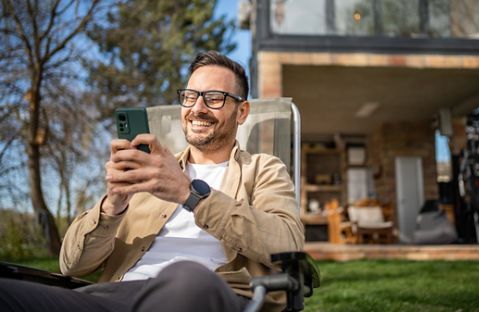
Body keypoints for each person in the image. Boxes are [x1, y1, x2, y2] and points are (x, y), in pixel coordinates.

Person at [0, 51, 304, 312]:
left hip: (203, 293)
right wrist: (112, 206)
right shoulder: (151, 169)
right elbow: (71, 266)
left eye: (214, 98)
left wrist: (189, 193)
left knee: (187, 277)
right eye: (190, 96)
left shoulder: (264, 169)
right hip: (115, 297)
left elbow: (288, 244)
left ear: (242, 111)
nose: (197, 108)